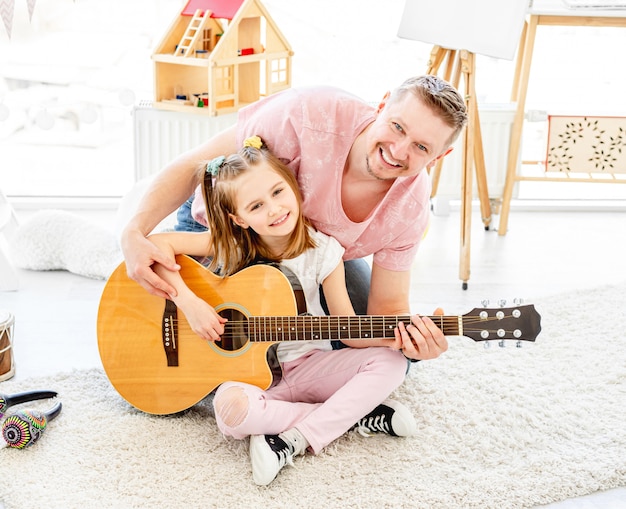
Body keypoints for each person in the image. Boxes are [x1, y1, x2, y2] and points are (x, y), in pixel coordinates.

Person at [147, 136, 445, 485]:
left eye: (277, 193)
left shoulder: (324, 252)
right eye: (255, 207)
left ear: (294, 188)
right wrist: (189, 303)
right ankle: (349, 416)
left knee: (391, 362)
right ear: (238, 219)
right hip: (254, 380)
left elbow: (347, 328)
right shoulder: (230, 244)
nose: (273, 210)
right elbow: (154, 245)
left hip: (309, 367)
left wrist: (396, 339)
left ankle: (295, 437)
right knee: (229, 413)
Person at [121, 74, 468, 362]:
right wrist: (134, 231)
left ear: (441, 155)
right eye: (396, 126)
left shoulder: (411, 209)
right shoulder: (307, 112)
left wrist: (415, 346)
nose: (398, 150)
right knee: (203, 349)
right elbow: (195, 164)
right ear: (381, 106)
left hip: (312, 260)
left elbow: (388, 308)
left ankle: (305, 397)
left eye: (422, 147)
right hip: (231, 232)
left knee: (391, 359)